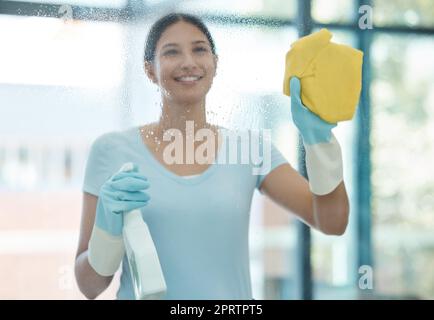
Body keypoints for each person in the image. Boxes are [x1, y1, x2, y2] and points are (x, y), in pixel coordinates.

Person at [74, 12, 349, 300]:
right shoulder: (112, 150)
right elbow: (90, 287)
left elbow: (332, 221)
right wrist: (106, 234)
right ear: (149, 70)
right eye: (171, 52)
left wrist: (320, 144)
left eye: (199, 49)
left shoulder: (250, 149)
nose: (188, 62)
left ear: (215, 64)